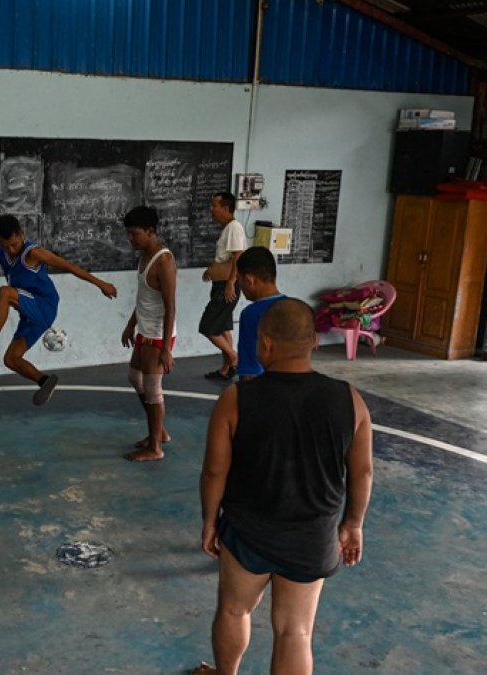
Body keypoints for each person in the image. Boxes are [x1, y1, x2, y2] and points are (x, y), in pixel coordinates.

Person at [197, 298, 373, 675]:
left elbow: (214, 472)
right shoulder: (350, 400)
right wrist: (353, 523)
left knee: (233, 609)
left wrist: (210, 522)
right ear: (312, 342)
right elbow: (363, 473)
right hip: (312, 535)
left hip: (247, 533)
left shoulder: (235, 400)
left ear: (265, 344)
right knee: (295, 632)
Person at [0, 214, 117, 406]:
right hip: (29, 313)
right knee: (11, 359)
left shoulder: (33, 253)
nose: (10, 249)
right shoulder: (0, 253)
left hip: (44, 305)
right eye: (5, 245)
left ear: (22, 234)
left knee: (5, 293)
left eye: (14, 244)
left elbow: (68, 266)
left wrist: (101, 284)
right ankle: (44, 381)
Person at [119, 206, 178, 462]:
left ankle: (155, 447)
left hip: (157, 334)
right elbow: (144, 297)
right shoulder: (144, 256)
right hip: (144, 329)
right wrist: (131, 323)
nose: (131, 239)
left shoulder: (164, 261)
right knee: (135, 377)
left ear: (151, 231)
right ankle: (159, 432)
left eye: (135, 234)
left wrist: (166, 348)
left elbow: (169, 305)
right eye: (129, 234)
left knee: (153, 390)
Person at [200, 192, 247, 381]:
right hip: (221, 284)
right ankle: (226, 368)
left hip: (226, 287)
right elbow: (225, 257)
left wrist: (230, 283)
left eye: (214, 206)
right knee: (223, 327)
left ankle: (235, 359)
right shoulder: (228, 228)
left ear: (226, 208)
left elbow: (238, 256)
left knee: (209, 327)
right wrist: (212, 269)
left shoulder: (234, 227)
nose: (211, 209)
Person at [233, 246, 285, 381]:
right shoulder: (297, 310)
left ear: (249, 280)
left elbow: (251, 369)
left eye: (239, 280)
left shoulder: (251, 314)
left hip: (264, 391)